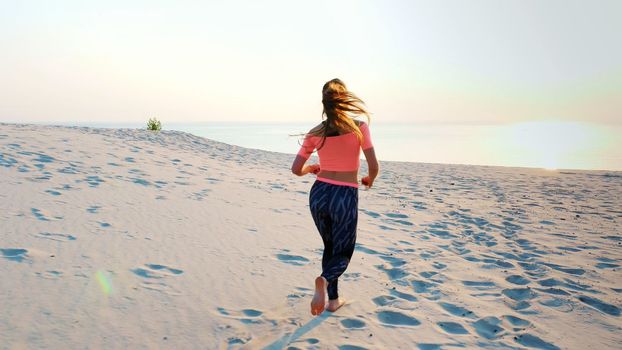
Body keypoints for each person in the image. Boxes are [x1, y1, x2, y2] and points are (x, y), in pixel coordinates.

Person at [291, 78, 379, 315]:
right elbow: (373, 165)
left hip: (319, 193)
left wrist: (311, 169)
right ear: (344, 100)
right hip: (344, 194)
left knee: (330, 246)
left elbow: (296, 169)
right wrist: (369, 179)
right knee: (343, 250)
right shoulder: (359, 127)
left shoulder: (315, 132)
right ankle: (324, 279)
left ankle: (333, 300)